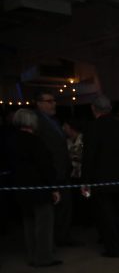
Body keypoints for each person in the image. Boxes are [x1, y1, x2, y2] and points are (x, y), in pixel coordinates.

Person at [81, 95, 119, 257]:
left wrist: (85, 181)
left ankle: (114, 249)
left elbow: (89, 157)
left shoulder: (93, 128)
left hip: (101, 180)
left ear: (93, 109)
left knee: (106, 215)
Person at [9, 108, 61, 267]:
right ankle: (44, 257)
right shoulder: (35, 141)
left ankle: (32, 255)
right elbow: (45, 166)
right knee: (44, 224)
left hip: (20, 188)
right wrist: (54, 188)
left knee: (29, 223)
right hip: (39, 188)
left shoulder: (11, 141)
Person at [35, 91, 77, 246]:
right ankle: (52, 240)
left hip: (62, 171)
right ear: (39, 103)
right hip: (50, 172)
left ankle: (63, 236)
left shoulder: (54, 121)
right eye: (49, 101)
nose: (53, 104)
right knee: (52, 208)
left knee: (66, 206)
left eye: (54, 101)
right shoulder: (37, 122)